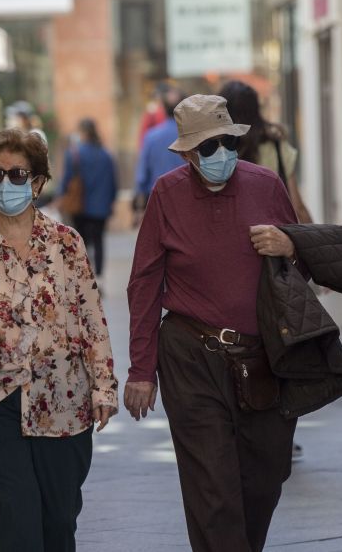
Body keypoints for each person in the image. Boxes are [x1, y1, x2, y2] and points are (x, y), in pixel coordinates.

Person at [0, 127, 118, 552]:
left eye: (17, 174)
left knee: (59, 521)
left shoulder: (66, 243)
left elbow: (91, 317)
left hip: (64, 398)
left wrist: (104, 386)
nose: (6, 183)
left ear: (37, 181)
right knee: (19, 519)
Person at [125, 94, 300, 551]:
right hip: (190, 357)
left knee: (264, 481)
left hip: (263, 358)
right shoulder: (166, 193)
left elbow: (300, 263)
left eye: (227, 143)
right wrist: (141, 371)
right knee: (214, 489)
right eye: (207, 147)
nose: (220, 154)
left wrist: (290, 245)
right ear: (185, 153)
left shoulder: (267, 185)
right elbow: (144, 283)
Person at [220, 80, 313, 224]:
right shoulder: (276, 144)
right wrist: (314, 239)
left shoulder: (219, 151)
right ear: (256, 109)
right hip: (274, 236)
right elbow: (297, 207)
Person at [59, 118, 117, 279]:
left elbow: (66, 180)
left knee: (81, 241)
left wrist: (61, 197)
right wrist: (111, 202)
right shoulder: (106, 154)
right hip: (101, 206)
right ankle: (100, 277)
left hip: (80, 206)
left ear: (82, 132)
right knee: (99, 241)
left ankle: (85, 275)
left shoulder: (74, 153)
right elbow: (113, 182)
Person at [133, 87, 185, 214]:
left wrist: (137, 199)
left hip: (158, 199)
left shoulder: (151, 137)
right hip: (186, 199)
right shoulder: (191, 135)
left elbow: (142, 174)